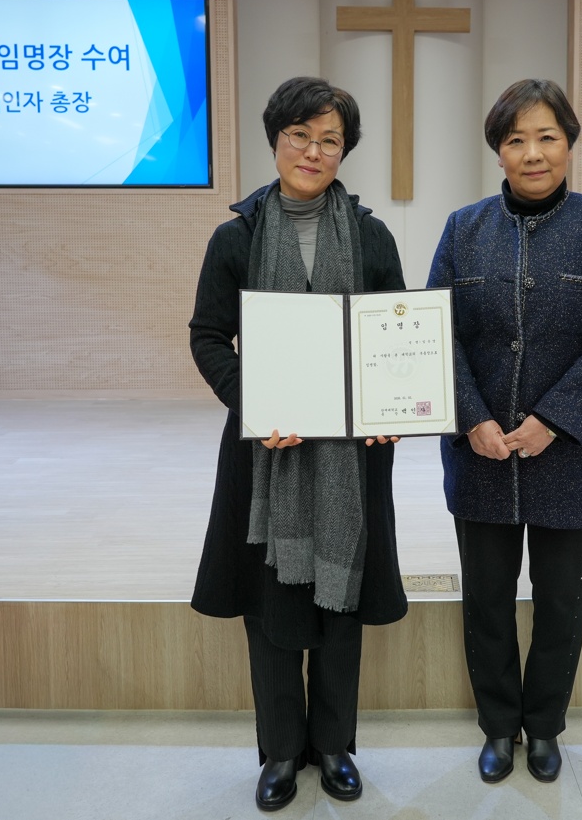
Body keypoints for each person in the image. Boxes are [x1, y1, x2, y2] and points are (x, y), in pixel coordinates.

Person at [189, 76, 407, 812]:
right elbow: (208, 337)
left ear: (346, 150)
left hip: (352, 452)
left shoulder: (372, 235)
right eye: (300, 136)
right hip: (268, 449)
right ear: (275, 139)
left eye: (330, 140)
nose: (314, 151)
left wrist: (389, 404)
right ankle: (283, 749)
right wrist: (256, 402)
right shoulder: (238, 236)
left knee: (341, 597)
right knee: (273, 600)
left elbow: (394, 337)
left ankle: (336, 744)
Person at [427, 79, 582, 784]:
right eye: (516, 139)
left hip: (572, 453)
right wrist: (473, 417)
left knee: (560, 600)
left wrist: (553, 419)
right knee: (485, 599)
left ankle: (545, 726)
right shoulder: (464, 229)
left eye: (547, 136)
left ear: (571, 145)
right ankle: (497, 725)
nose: (532, 152)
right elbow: (436, 334)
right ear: (498, 152)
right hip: (481, 450)